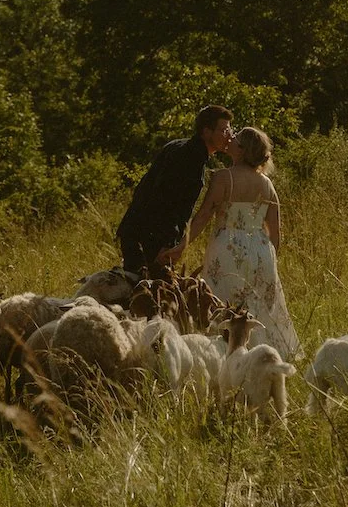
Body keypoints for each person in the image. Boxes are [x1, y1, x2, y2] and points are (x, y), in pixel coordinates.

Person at [180, 126, 302, 360]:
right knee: (260, 307)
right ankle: (264, 359)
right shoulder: (267, 183)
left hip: (226, 247)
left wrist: (181, 245)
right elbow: (276, 232)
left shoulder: (223, 177)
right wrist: (268, 257)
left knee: (222, 302)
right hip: (261, 250)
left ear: (243, 149)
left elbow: (203, 216)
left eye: (236, 137)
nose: (231, 137)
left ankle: (225, 359)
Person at [116, 104, 234, 275]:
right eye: (223, 130)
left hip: (138, 229)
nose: (229, 136)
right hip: (151, 237)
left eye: (230, 130)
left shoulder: (181, 147)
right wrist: (167, 243)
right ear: (206, 131)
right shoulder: (190, 158)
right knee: (151, 294)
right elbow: (168, 200)